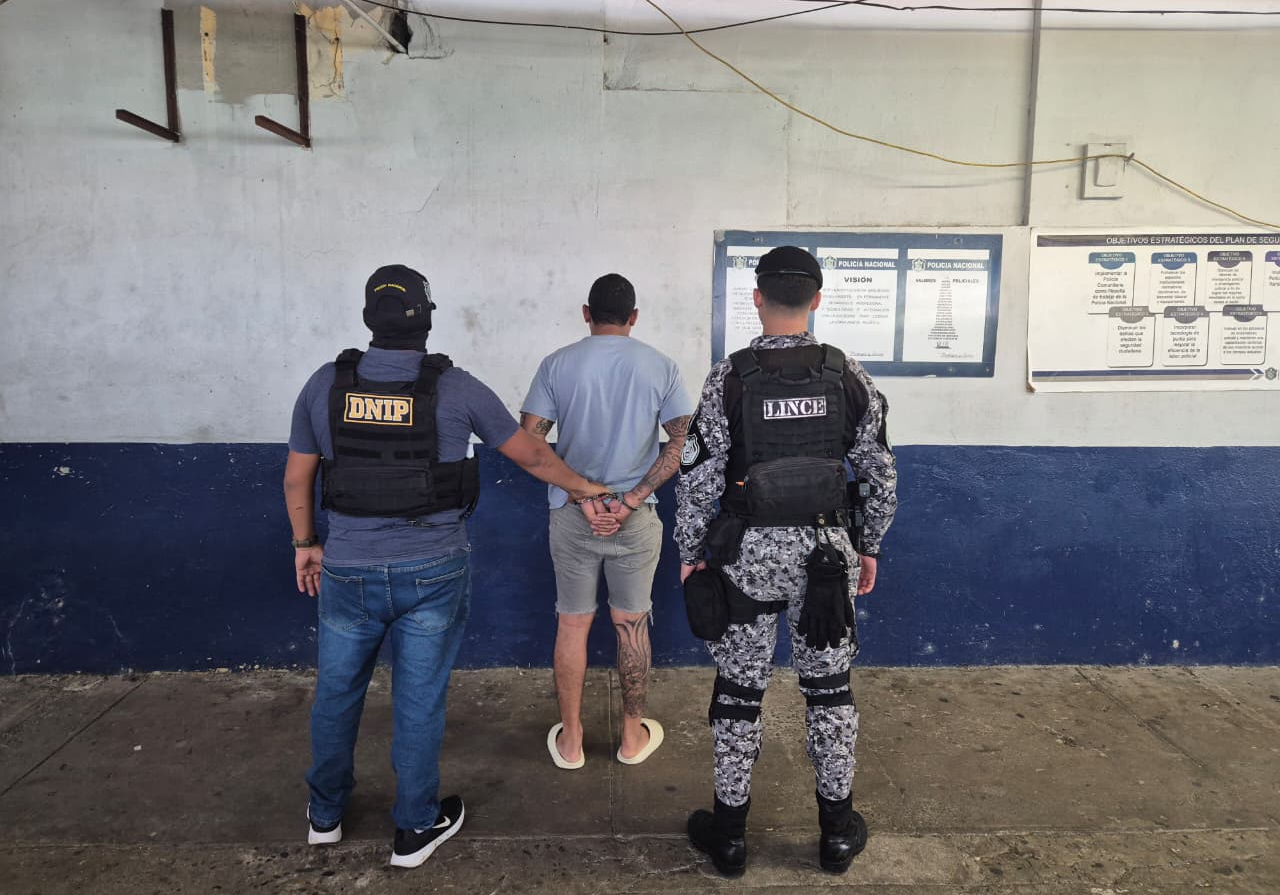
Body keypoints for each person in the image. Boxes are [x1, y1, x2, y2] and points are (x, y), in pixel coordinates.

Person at [284, 265, 608, 869]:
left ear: (368, 319)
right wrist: (585, 487)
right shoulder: (456, 388)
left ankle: (324, 816)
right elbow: (533, 455)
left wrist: (306, 543)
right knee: (419, 699)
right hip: (432, 571)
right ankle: (414, 827)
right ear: (426, 321)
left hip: (348, 568)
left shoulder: (325, 384)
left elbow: (297, 476)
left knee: (336, 693)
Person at [674, 246, 897, 878]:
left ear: (757, 298)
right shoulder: (848, 375)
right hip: (825, 558)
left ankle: (730, 838)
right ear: (817, 300)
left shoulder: (729, 377)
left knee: (739, 690)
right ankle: (836, 835)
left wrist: (690, 552)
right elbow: (880, 471)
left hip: (745, 556)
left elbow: (698, 477)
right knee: (829, 690)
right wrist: (869, 546)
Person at [519, 273, 694, 769]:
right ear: (634, 317)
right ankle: (631, 739)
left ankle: (572, 742)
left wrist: (581, 495)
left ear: (586, 314)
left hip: (573, 514)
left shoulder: (557, 364)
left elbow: (529, 440)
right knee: (631, 624)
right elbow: (683, 440)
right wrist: (633, 498)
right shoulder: (660, 366)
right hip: (633, 519)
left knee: (572, 624)